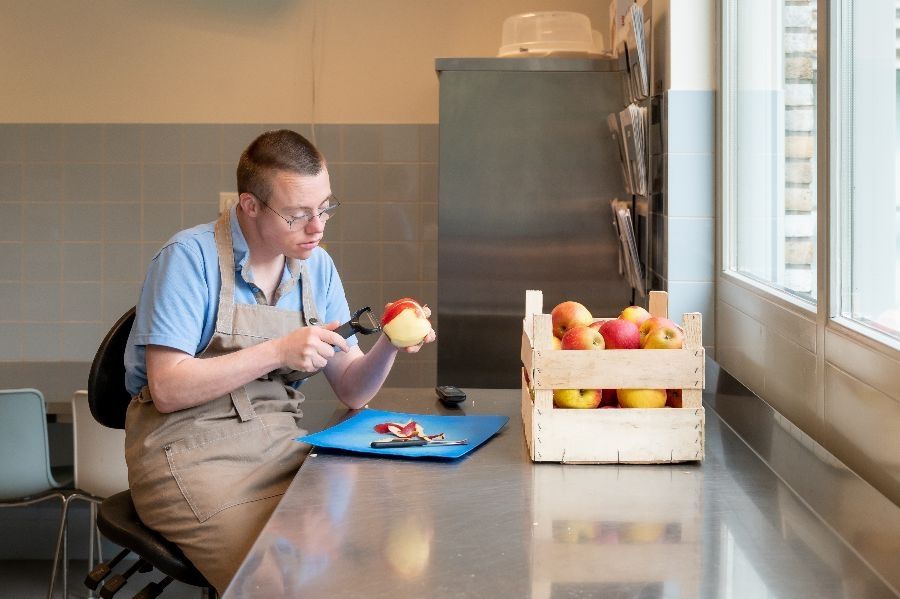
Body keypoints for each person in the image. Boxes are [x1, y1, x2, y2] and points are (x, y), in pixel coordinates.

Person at [122, 129, 434, 593]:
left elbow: (351, 388)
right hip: (189, 455)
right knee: (271, 580)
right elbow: (167, 389)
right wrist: (277, 350)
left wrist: (389, 341)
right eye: (298, 214)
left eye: (325, 207)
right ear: (249, 205)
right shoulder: (188, 259)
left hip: (282, 446)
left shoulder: (317, 267)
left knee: (353, 565)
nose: (317, 227)